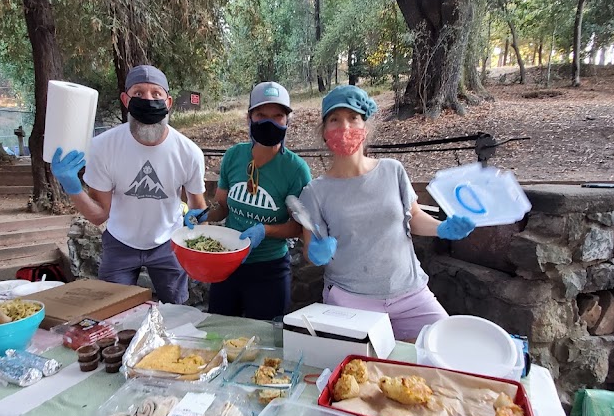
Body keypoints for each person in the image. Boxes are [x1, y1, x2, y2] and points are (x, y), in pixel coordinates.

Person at [298, 85, 476, 340]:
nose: (345, 127)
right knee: (357, 364)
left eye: (353, 118)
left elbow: (413, 217)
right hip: (350, 300)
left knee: (444, 347)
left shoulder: (393, 170)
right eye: (335, 119)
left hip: (411, 295)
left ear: (365, 127)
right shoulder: (315, 191)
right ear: (324, 132)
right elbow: (309, 249)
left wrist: (442, 228)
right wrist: (315, 253)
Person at [50, 65, 207, 305]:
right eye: (139, 93)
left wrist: (196, 221)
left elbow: (198, 207)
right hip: (120, 242)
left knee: (177, 310)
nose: (148, 100)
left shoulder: (189, 153)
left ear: (168, 102)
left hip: (169, 242)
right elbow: (98, 216)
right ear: (125, 100)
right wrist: (72, 187)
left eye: (156, 94)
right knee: (113, 309)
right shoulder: (103, 147)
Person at [201, 82, 312, 320]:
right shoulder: (233, 156)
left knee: (266, 337)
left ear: (287, 121)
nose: (269, 122)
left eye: (278, 116)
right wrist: (203, 214)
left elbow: (299, 227)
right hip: (227, 262)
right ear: (249, 118)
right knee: (217, 330)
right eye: (261, 115)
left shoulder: (295, 170)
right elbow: (222, 207)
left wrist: (266, 230)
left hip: (269, 269)